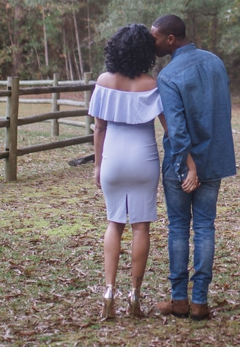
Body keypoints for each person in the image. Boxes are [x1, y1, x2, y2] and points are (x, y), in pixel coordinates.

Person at [147, 14, 236, 320]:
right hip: (215, 158)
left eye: (155, 37)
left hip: (182, 165)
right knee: (205, 228)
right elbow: (224, 112)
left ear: (171, 39)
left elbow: (176, 128)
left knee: (178, 228)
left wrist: (189, 166)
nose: (152, 43)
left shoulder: (169, 75)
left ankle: (179, 300)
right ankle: (199, 301)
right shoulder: (215, 62)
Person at [89, 24, 164, 320]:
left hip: (113, 157)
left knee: (114, 223)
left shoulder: (104, 81)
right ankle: (135, 295)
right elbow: (167, 125)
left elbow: (99, 127)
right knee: (141, 227)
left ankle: (108, 291)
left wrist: (97, 165)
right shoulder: (151, 84)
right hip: (143, 157)